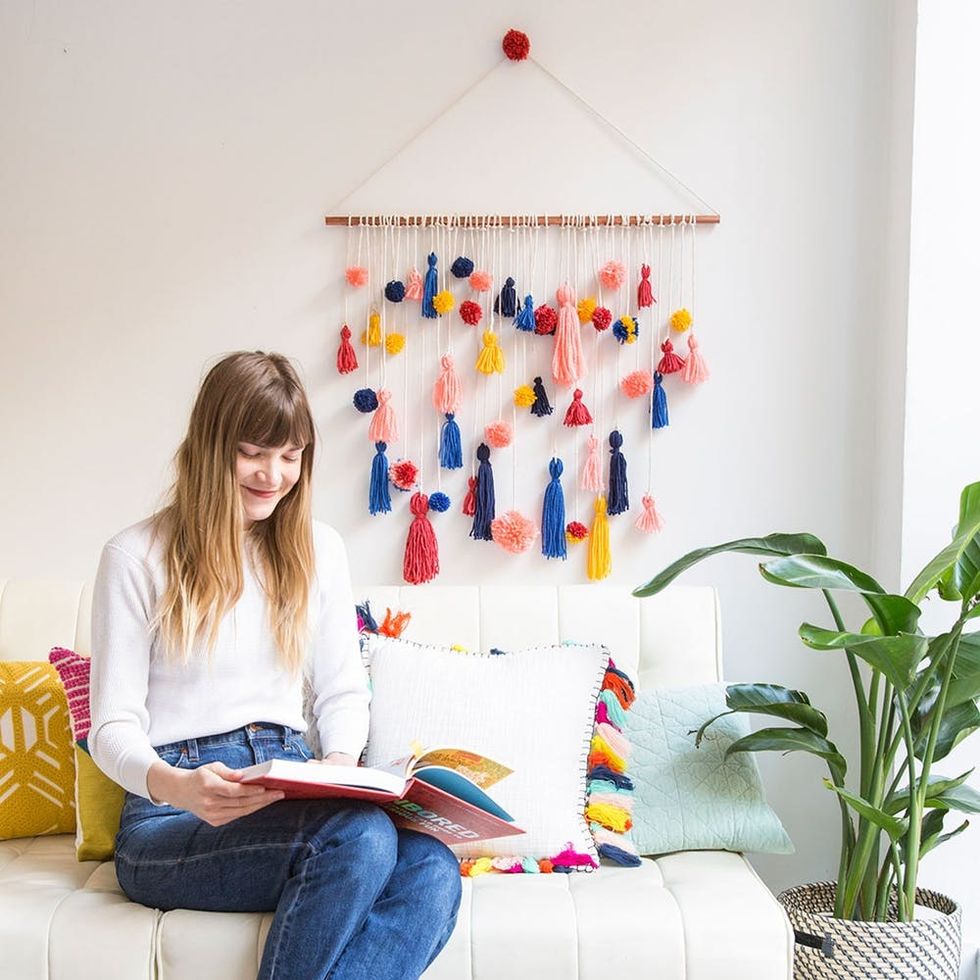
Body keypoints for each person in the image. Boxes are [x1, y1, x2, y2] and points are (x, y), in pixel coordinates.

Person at [89, 350, 462, 979]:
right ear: (211, 446)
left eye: (292, 456)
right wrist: (178, 785)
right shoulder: (135, 556)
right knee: (359, 841)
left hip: (288, 785)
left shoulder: (318, 549)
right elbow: (112, 727)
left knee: (433, 865)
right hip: (169, 814)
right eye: (255, 452)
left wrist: (342, 768)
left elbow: (342, 691)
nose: (275, 474)